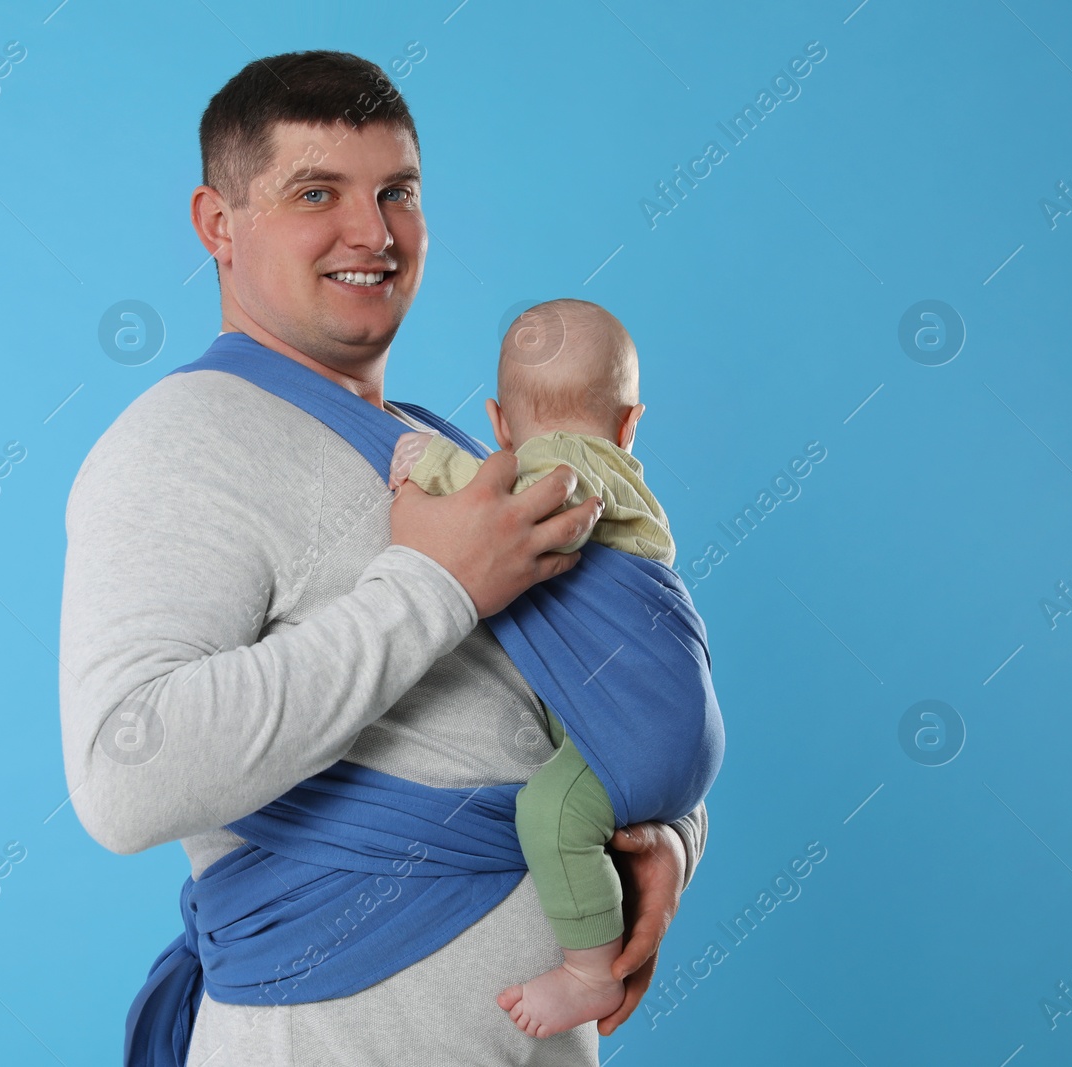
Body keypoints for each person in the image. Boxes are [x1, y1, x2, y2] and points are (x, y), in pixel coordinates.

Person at [59, 50, 707, 1065]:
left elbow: (582, 704)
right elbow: (123, 775)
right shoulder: (181, 440)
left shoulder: (442, 448)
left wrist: (667, 837)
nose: (372, 232)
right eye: (316, 191)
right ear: (217, 224)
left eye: (396, 191)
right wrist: (435, 584)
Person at [389, 298, 714, 1038]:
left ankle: (588, 969)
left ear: (498, 422)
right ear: (632, 424)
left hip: (629, 739)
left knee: (551, 811)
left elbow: (511, 495)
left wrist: (431, 463)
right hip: (674, 732)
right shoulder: (632, 489)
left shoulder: (560, 473)